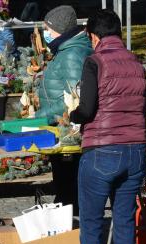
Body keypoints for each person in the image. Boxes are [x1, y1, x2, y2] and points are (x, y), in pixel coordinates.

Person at [63, 10, 146, 244]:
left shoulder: (94, 62)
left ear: (93, 36)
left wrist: (72, 114)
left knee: (91, 226)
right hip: (136, 151)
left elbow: (87, 110)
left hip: (101, 151)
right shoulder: (137, 62)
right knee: (124, 225)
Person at [36, 5, 93, 212]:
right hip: (60, 127)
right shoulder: (66, 50)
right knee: (66, 191)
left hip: (66, 131)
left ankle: (70, 227)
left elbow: (74, 98)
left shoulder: (71, 54)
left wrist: (40, 116)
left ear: (60, 29)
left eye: (48, 29)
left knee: (68, 192)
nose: (45, 34)